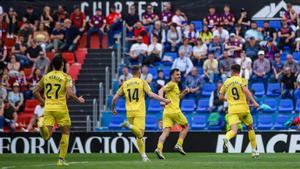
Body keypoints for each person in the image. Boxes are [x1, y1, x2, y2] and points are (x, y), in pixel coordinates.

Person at [33, 55, 85, 166]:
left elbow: (34, 91)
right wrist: (79, 100)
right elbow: (70, 94)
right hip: (61, 108)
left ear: (52, 65)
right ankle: (61, 160)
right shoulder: (66, 77)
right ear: (62, 65)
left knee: (47, 136)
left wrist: (43, 101)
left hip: (48, 108)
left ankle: (41, 126)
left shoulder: (46, 76)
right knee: (65, 133)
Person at [111, 65, 170, 162]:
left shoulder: (125, 83)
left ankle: (144, 156)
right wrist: (164, 99)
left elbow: (114, 98)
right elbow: (151, 95)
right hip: (139, 111)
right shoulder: (142, 81)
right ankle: (128, 126)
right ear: (139, 73)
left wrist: (113, 108)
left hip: (129, 112)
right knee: (140, 134)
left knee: (137, 135)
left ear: (132, 73)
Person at [219, 64, 259, 158]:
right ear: (239, 71)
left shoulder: (226, 82)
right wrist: (254, 102)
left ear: (232, 71)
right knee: (250, 128)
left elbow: (220, 97)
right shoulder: (242, 80)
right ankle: (254, 151)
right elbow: (245, 90)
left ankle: (226, 138)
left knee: (234, 130)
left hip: (232, 110)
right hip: (243, 109)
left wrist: (229, 100)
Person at [155, 68, 190, 159]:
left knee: (166, 132)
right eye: (177, 74)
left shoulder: (175, 86)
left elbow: (177, 98)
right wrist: (162, 100)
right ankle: (179, 144)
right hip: (174, 111)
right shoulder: (171, 84)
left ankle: (159, 148)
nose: (179, 76)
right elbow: (160, 91)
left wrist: (184, 93)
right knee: (186, 127)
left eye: (179, 74)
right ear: (172, 76)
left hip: (166, 112)